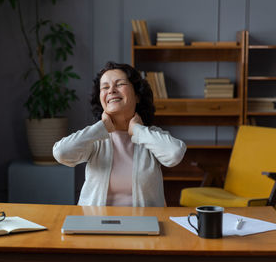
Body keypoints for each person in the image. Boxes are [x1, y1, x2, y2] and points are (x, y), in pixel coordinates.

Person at [53, 61, 186, 207]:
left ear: (137, 95)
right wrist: (101, 128)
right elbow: (61, 153)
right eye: (105, 87)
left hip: (144, 225)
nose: (111, 90)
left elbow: (175, 153)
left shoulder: (150, 136)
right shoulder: (96, 138)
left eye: (119, 84)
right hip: (94, 224)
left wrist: (137, 130)